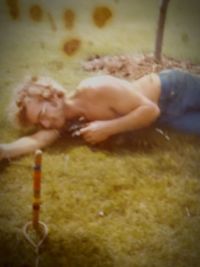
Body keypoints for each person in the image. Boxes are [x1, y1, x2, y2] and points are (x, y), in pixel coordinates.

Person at [0, 69, 200, 160]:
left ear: (53, 97)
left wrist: (107, 128)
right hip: (166, 117)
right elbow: (36, 142)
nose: (46, 122)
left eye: (43, 113)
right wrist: (6, 150)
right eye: (39, 121)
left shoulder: (95, 89)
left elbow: (150, 110)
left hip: (174, 89)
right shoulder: (60, 123)